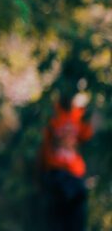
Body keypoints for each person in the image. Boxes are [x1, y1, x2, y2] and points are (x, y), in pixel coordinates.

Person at [39, 88, 95, 231]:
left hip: (74, 173)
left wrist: (89, 118)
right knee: (66, 199)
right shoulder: (52, 114)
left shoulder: (78, 114)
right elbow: (43, 144)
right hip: (56, 171)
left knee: (77, 204)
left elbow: (86, 135)